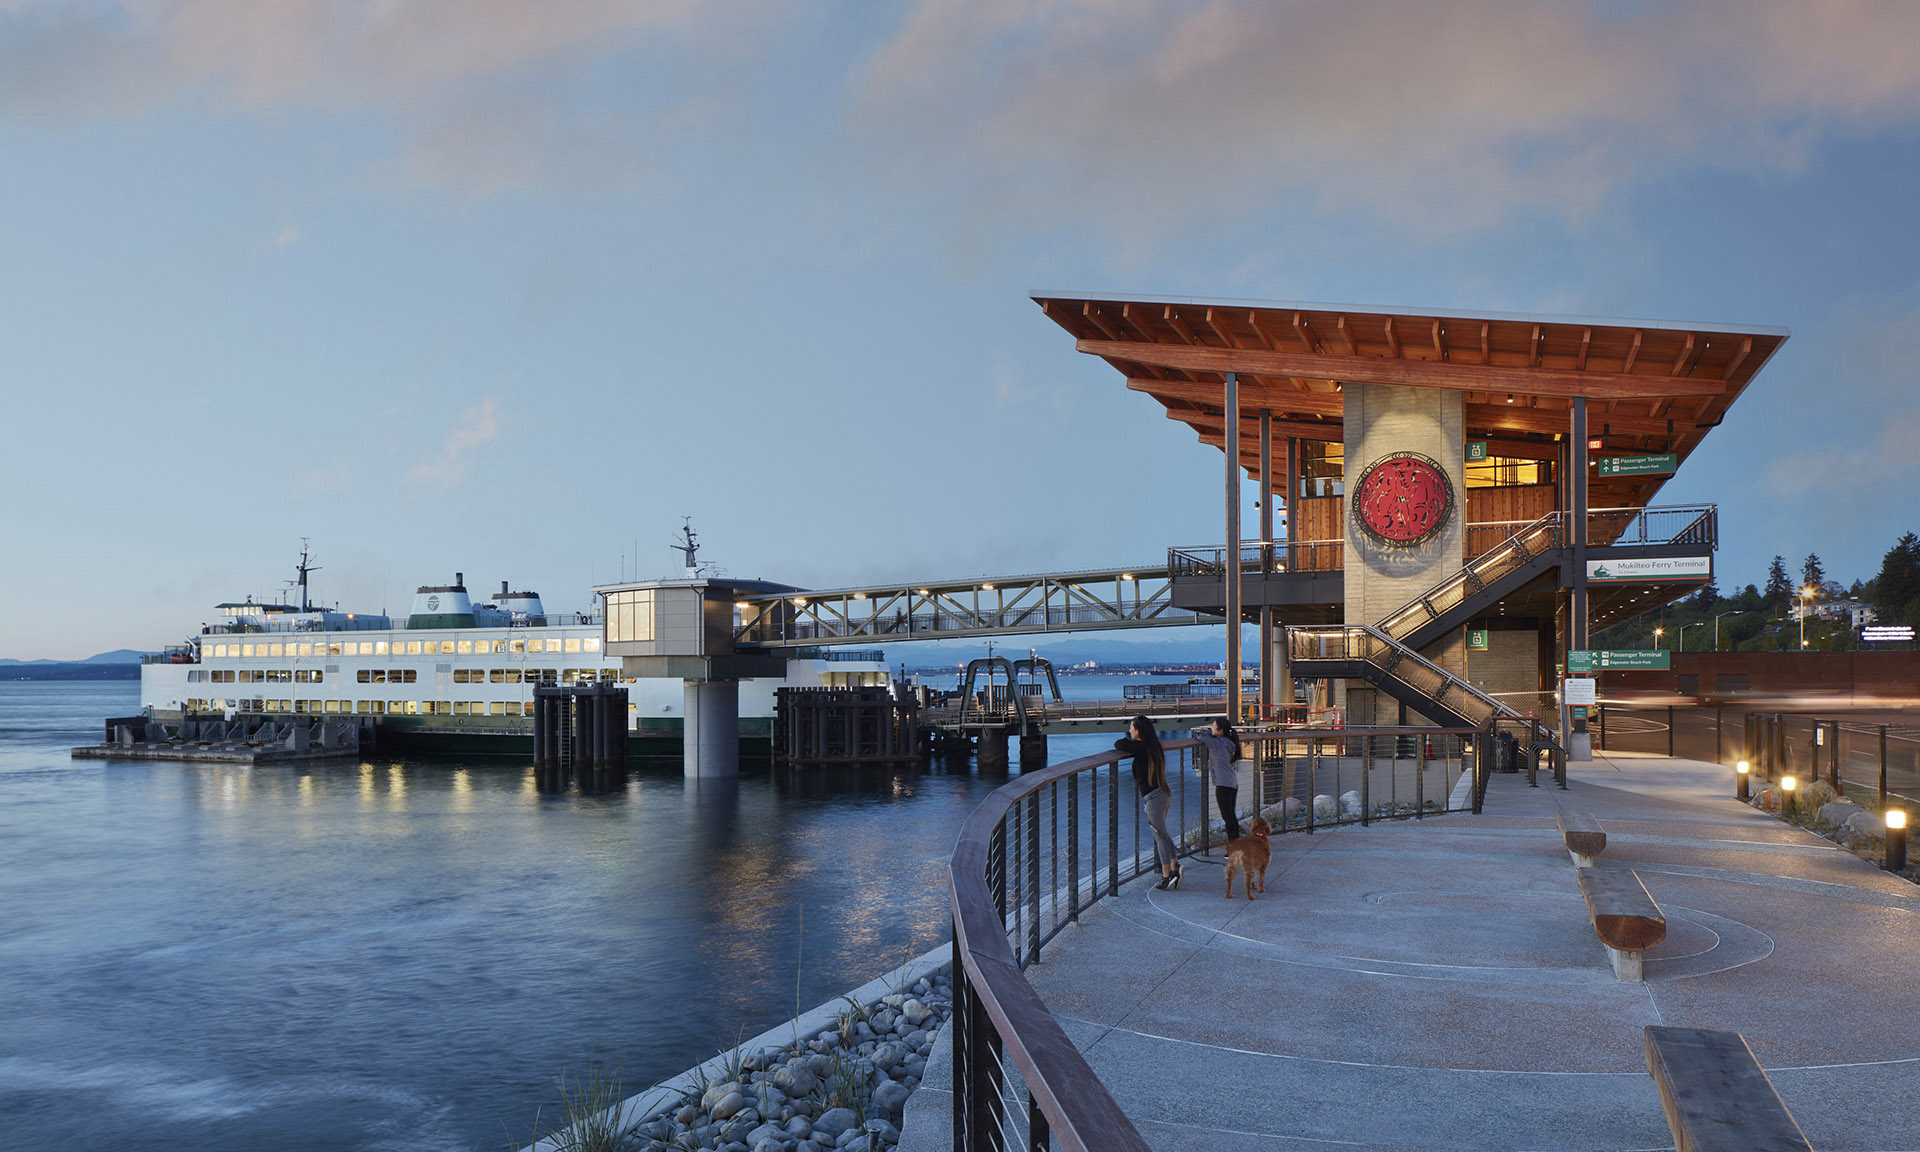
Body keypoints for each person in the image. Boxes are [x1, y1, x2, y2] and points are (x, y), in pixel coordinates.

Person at [1115, 715, 1180, 889]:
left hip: (1154, 798)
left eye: (1132, 728)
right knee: (1164, 835)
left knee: (1160, 837)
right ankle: (1175, 869)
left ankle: (1167, 875)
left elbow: (1119, 744)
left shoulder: (1141, 748)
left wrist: (1128, 739)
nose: (1130, 730)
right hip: (1162, 795)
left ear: (1139, 731)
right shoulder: (1153, 746)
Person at [1191, 719, 1244, 843]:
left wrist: (1208, 733)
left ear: (1220, 731)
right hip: (1231, 782)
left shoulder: (1217, 743)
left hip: (1223, 783)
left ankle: (1233, 846)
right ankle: (1236, 844)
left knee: (1227, 817)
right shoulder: (1227, 742)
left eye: (1213, 727)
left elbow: (1199, 736)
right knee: (1231, 816)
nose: (1211, 729)